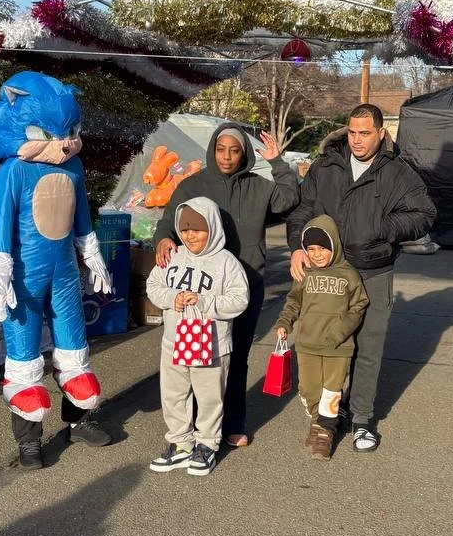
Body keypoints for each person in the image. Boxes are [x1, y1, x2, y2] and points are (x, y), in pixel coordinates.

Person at [286, 104, 436, 453]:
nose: (357, 140)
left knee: (368, 347)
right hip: (329, 272)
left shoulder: (397, 172)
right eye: (352, 132)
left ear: (381, 134)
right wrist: (297, 245)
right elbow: (305, 209)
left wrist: (383, 229)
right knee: (330, 345)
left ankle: (362, 419)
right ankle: (326, 419)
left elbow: (424, 214)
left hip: (373, 270)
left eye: (365, 133)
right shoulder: (327, 167)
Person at [153, 124, 299, 447]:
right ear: (212, 151)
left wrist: (277, 162)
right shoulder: (193, 186)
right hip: (201, 289)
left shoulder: (258, 186)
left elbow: (290, 198)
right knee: (195, 359)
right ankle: (191, 426)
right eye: (221, 150)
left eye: (234, 150)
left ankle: (233, 422)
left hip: (247, 283)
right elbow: (168, 221)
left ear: (244, 153)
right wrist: (163, 238)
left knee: (236, 356)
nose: (227, 157)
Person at [146, 198, 249, 477]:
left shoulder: (226, 262)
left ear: (213, 228)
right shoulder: (174, 256)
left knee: (209, 396)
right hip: (174, 343)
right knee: (173, 395)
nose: (191, 235)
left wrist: (204, 302)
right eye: (186, 229)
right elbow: (153, 284)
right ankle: (180, 444)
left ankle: (206, 444)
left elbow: (240, 300)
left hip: (213, 345)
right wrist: (171, 298)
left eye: (198, 229)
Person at [274, 214, 368, 459]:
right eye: (311, 249)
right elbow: (294, 301)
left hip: (339, 347)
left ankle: (325, 432)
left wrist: (340, 332)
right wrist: (285, 322)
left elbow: (359, 305)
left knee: (332, 390)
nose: (317, 254)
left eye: (323, 248)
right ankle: (319, 423)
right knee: (309, 389)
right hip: (307, 344)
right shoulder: (306, 273)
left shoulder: (348, 275)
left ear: (334, 245)